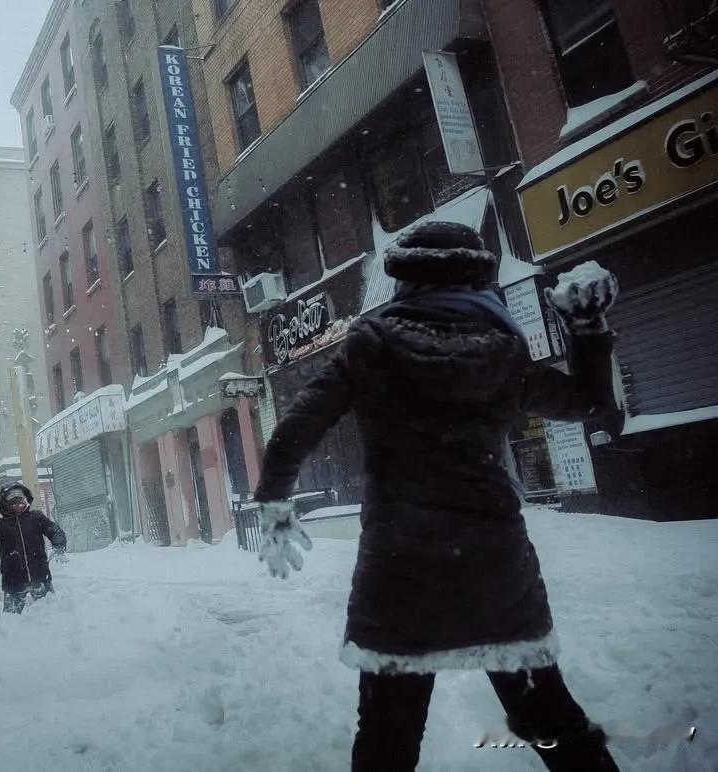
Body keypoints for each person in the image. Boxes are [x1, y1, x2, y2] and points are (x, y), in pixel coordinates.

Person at [254, 221, 622, 772]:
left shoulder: (371, 345)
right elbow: (590, 404)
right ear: (478, 276)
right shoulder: (502, 350)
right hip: (493, 566)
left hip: (400, 568)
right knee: (552, 720)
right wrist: (587, 326)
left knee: (386, 737)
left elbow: (295, 428)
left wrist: (276, 504)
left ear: (402, 279)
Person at [0, 483, 67, 613]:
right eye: (12, 499)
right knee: (11, 622)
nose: (17, 502)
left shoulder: (36, 518)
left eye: (20, 497)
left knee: (50, 615)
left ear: (25, 499)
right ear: (4, 503)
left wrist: (59, 545)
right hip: (13, 585)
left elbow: (55, 531)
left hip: (40, 579)